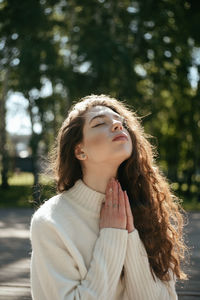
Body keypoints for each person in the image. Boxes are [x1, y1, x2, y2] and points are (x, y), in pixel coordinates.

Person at [30, 94, 188, 300]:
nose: (117, 125)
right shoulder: (51, 221)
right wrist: (112, 236)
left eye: (120, 122)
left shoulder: (148, 209)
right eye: (99, 124)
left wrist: (130, 236)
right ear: (80, 150)